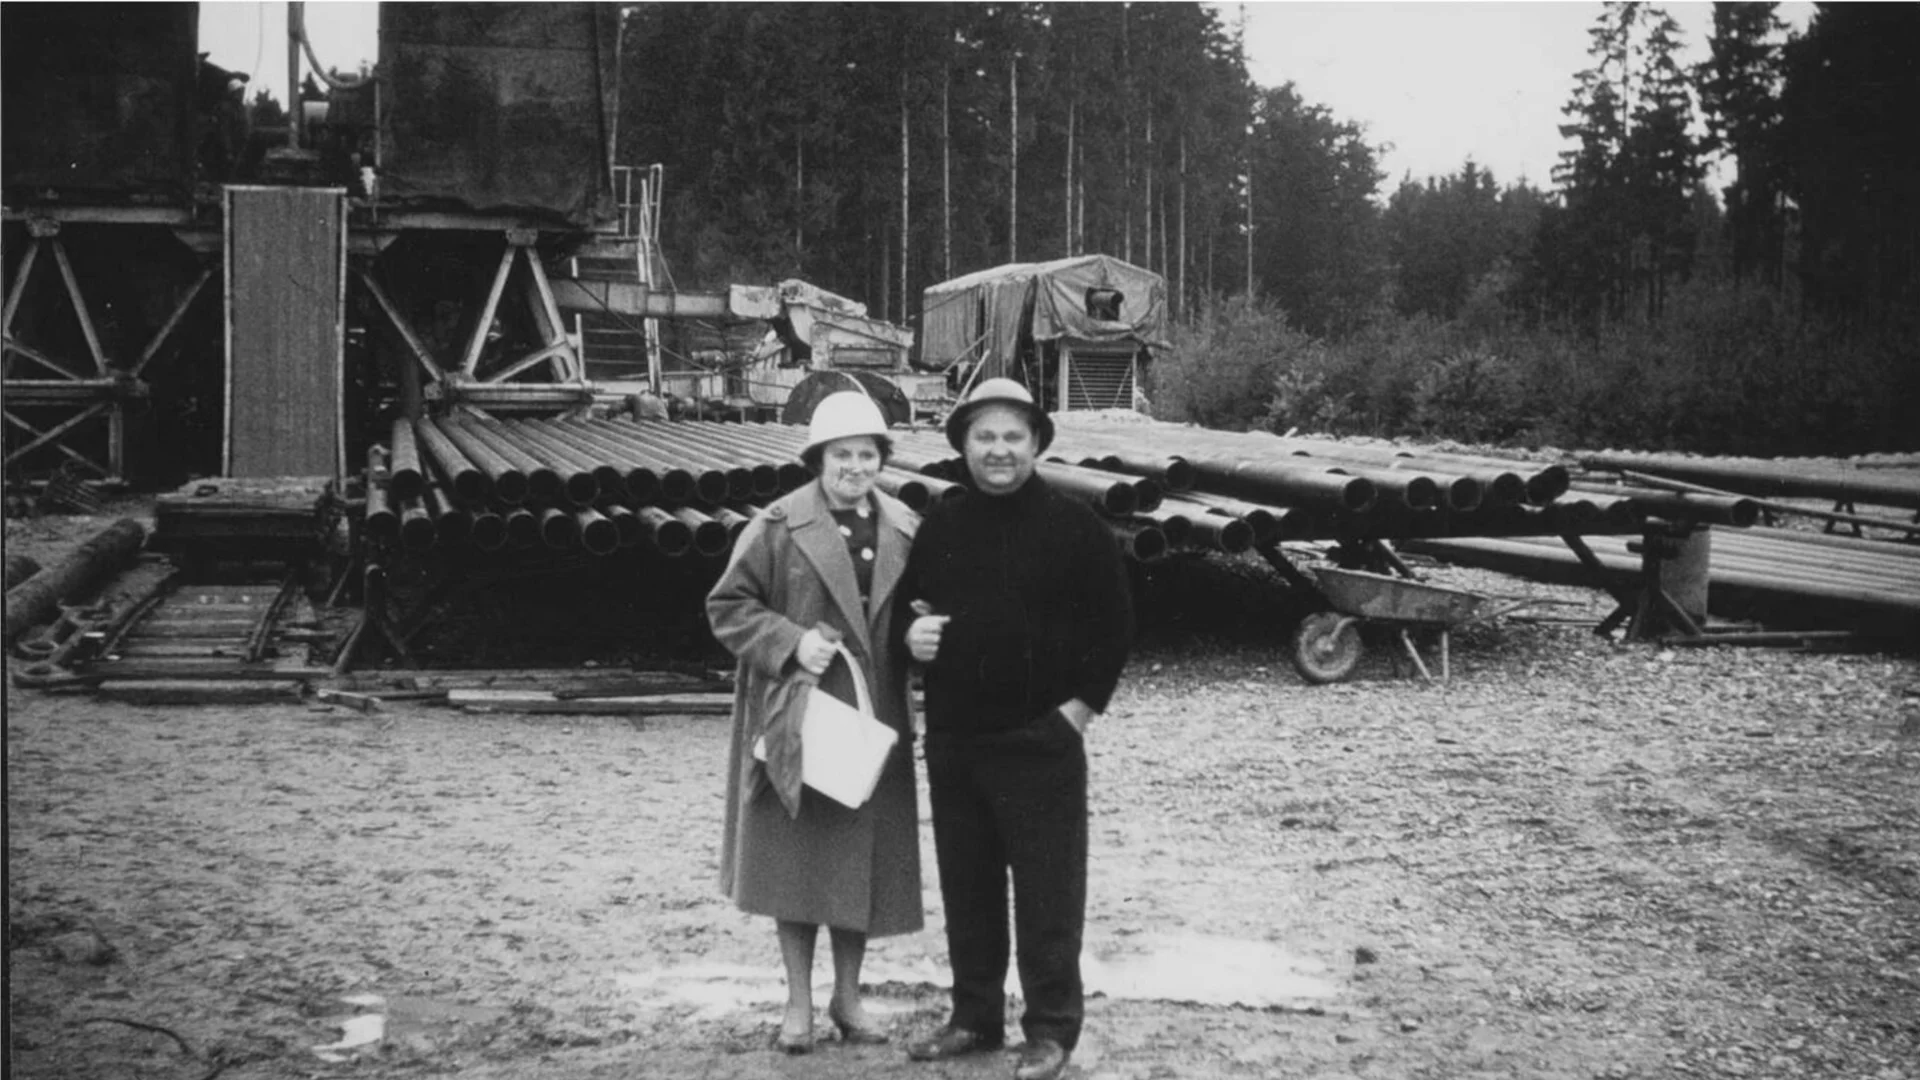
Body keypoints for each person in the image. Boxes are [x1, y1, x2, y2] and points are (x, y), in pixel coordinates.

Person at [898, 378, 1134, 1080]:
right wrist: (911, 637)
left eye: (1012, 437)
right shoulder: (942, 523)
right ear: (963, 446)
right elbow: (906, 611)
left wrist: (1076, 713)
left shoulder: (1076, 526)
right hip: (955, 740)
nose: (998, 451)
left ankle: (1051, 1030)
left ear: (1036, 445)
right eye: (985, 437)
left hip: (1040, 741)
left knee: (1047, 896)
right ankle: (973, 1019)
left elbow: (1114, 627)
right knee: (967, 889)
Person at [707, 391, 923, 1054]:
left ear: (881, 459)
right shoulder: (778, 526)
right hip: (797, 712)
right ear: (817, 459)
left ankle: (848, 999)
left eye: (867, 454)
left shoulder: (906, 525)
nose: (854, 466)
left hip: (871, 713)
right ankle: (797, 1005)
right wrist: (789, 641)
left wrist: (921, 639)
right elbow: (728, 606)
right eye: (841, 455)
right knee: (795, 865)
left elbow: (920, 610)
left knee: (857, 864)